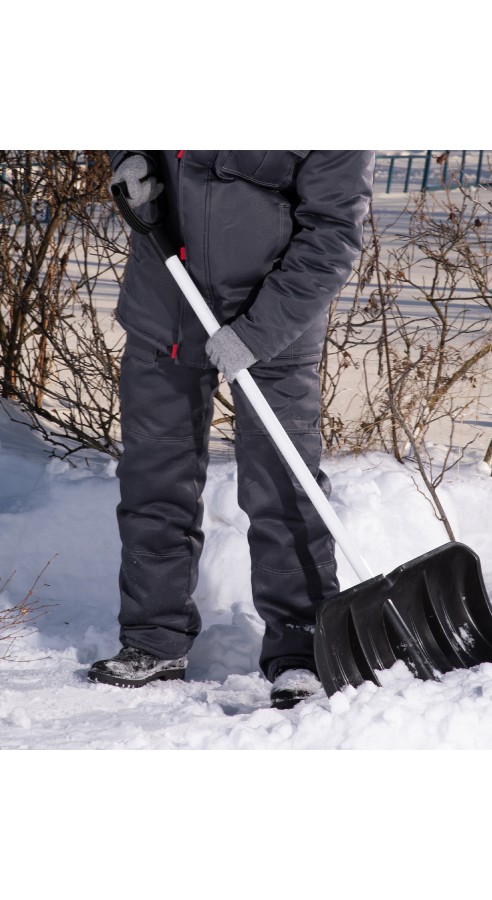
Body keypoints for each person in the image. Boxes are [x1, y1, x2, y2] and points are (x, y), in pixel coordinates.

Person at [88, 150, 375, 708]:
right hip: (165, 302)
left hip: (275, 321)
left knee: (284, 486)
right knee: (154, 479)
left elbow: (333, 231)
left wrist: (258, 333)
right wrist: (130, 158)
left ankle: (301, 648)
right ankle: (153, 639)